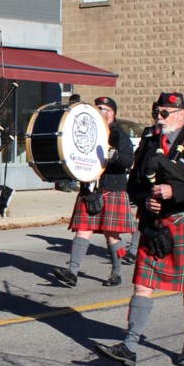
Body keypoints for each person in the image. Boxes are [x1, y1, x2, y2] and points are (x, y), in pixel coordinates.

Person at [95, 92, 184, 366]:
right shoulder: (148, 142)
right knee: (142, 285)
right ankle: (130, 346)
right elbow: (134, 183)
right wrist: (144, 199)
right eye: (156, 112)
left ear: (181, 115)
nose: (158, 118)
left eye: (165, 113)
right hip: (154, 223)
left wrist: (175, 191)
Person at [51, 96, 135, 288]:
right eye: (97, 108)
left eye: (102, 108)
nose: (98, 111)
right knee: (83, 230)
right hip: (90, 188)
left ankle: (117, 272)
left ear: (111, 113)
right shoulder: (89, 131)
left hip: (112, 188)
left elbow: (127, 161)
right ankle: (71, 273)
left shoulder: (119, 136)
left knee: (111, 235)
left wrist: (114, 155)